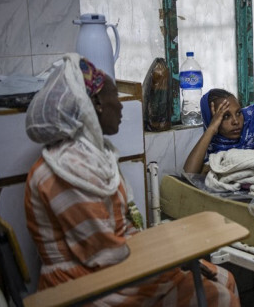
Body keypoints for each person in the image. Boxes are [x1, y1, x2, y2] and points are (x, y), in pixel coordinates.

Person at [24, 54, 240, 306]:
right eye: (114, 98)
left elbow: (121, 231)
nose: (121, 106)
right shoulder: (63, 173)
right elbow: (104, 255)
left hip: (117, 262)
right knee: (219, 296)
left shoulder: (92, 158)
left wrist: (166, 250)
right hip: (86, 283)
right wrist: (170, 256)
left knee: (224, 277)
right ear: (95, 106)